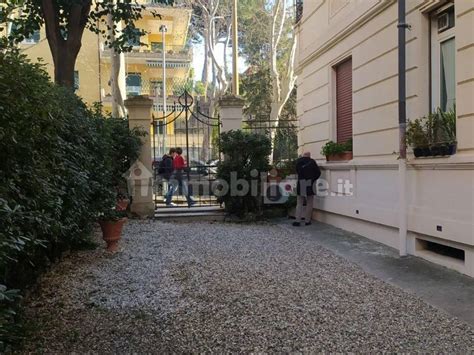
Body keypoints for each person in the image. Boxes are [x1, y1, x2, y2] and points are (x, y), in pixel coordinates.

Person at [293, 151, 321, 227]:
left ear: (303, 155)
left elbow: (297, 171)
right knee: (309, 202)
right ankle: (307, 221)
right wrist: (313, 179)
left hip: (301, 183)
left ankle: (297, 221)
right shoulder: (312, 162)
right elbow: (318, 173)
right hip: (310, 183)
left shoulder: (298, 162)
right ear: (309, 155)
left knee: (299, 203)